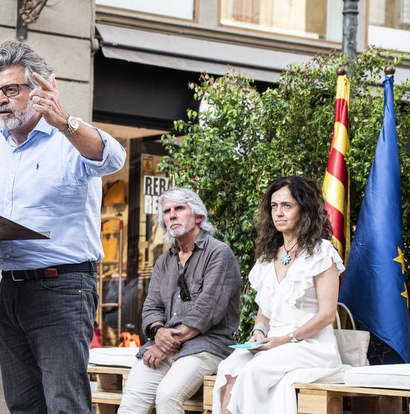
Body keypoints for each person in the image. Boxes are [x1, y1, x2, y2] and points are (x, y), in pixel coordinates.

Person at [0, 41, 127, 413]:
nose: (1, 100)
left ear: (38, 90)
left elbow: (113, 158)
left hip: (61, 288)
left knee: (64, 404)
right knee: (23, 405)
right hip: (11, 289)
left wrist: (66, 123)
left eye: (11, 89)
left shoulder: (66, 139)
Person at [213, 176, 344, 414]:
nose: (279, 213)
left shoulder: (322, 252)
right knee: (228, 370)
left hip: (311, 345)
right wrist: (258, 334)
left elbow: (327, 315)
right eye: (274, 206)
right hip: (273, 342)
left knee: (253, 372)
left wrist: (284, 340)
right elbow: (265, 311)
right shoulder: (268, 254)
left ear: (304, 210)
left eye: (287, 205)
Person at [118, 188, 241, 413]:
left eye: (179, 208)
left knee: (168, 395)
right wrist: (158, 332)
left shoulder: (219, 253)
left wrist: (164, 344)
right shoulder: (164, 261)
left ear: (198, 216)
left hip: (206, 346)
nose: (172, 215)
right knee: (130, 404)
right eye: (167, 211)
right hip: (164, 345)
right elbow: (151, 307)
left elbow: (207, 311)